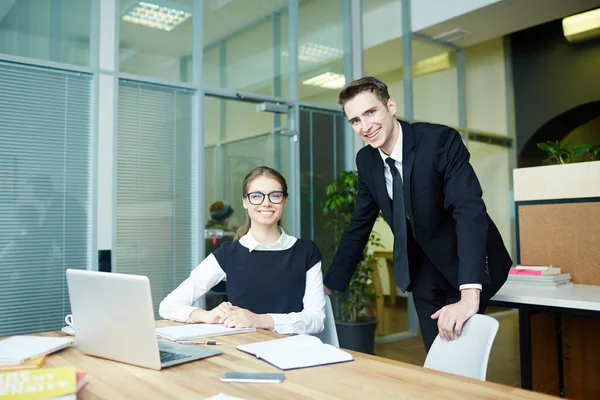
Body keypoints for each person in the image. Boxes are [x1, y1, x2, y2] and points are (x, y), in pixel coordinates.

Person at [323, 77, 512, 352]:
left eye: (370, 112)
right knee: (437, 354)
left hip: (464, 262)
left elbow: (468, 210)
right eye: (355, 121)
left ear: (391, 106)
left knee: (459, 354)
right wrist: (330, 283)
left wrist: (470, 292)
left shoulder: (439, 141)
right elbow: (359, 224)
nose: (365, 127)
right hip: (421, 270)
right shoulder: (367, 161)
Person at [159, 166, 326, 335]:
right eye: (256, 196)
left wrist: (259, 320)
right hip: (242, 352)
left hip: (292, 353)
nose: (266, 203)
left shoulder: (306, 252)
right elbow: (169, 305)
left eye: (275, 196)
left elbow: (316, 319)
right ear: (245, 201)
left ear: (284, 202)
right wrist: (206, 315)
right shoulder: (227, 254)